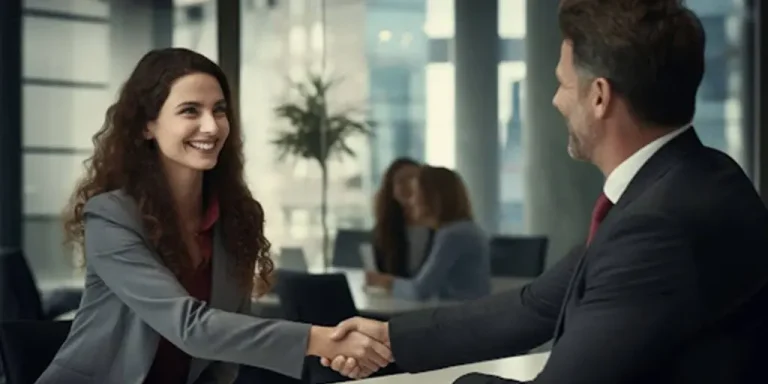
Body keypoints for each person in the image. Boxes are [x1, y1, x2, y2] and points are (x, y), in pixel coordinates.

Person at [320, 1, 768, 383]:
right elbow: (533, 307)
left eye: (562, 83)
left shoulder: (657, 225)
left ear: (599, 96)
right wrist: (390, 338)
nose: (555, 100)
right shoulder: (695, 178)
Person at [36, 48, 391, 384]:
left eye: (219, 110)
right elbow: (190, 328)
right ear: (148, 125)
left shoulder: (237, 217)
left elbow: (227, 342)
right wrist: (322, 341)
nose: (211, 126)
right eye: (190, 110)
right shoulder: (112, 215)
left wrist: (329, 349)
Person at [366, 166, 491, 301]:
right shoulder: (463, 229)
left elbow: (420, 291)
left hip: (460, 317)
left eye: (415, 194)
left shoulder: (452, 235)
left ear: (431, 197)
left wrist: (386, 282)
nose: (411, 201)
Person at [372, 158, 434, 277]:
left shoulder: (439, 227)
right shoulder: (384, 230)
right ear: (391, 190)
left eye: (414, 179)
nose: (409, 185)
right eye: (401, 181)